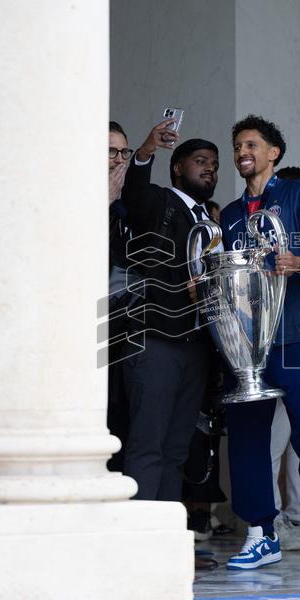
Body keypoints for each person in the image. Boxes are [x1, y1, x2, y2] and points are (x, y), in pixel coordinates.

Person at [218, 114, 300, 572]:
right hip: (245, 346)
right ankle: (259, 535)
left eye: (250, 143)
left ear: (273, 153)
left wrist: (299, 262)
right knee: (248, 441)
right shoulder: (229, 215)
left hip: (294, 338)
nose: (241, 151)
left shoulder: (298, 195)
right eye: (236, 145)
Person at [120, 119, 220, 503]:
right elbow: (134, 192)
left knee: (178, 449)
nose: (209, 167)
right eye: (200, 160)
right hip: (155, 339)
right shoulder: (160, 202)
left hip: (196, 347)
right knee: (149, 445)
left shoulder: (210, 222)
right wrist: (145, 152)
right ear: (178, 167)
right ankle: (140, 542)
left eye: (213, 162)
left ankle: (166, 539)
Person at [105, 121, 134, 473]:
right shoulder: (74, 196)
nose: (119, 160)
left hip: (133, 325)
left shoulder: (137, 201)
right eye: (111, 151)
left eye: (124, 152)